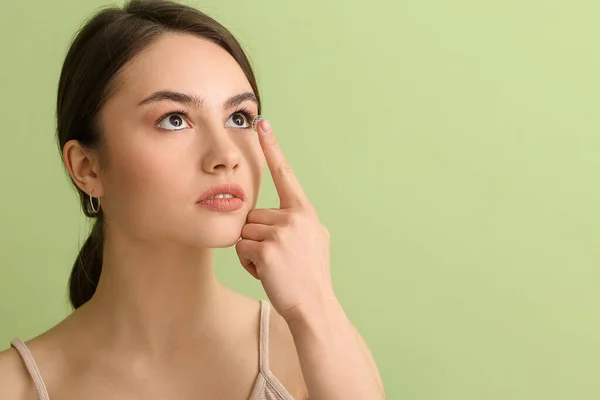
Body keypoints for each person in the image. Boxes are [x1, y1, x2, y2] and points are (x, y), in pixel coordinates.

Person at [0, 0, 385, 398]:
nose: (226, 156)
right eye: (174, 119)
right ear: (87, 168)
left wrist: (314, 303)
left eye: (239, 117)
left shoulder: (314, 350)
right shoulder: (14, 386)